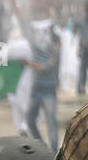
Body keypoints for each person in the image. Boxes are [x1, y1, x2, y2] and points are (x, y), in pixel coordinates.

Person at [26, 16, 62, 151]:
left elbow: (46, 67)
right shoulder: (33, 48)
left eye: (44, 32)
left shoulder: (54, 50)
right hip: (35, 90)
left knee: (51, 122)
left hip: (48, 91)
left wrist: (29, 63)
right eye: (38, 32)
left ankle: (54, 152)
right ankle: (41, 147)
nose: (40, 35)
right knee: (30, 120)